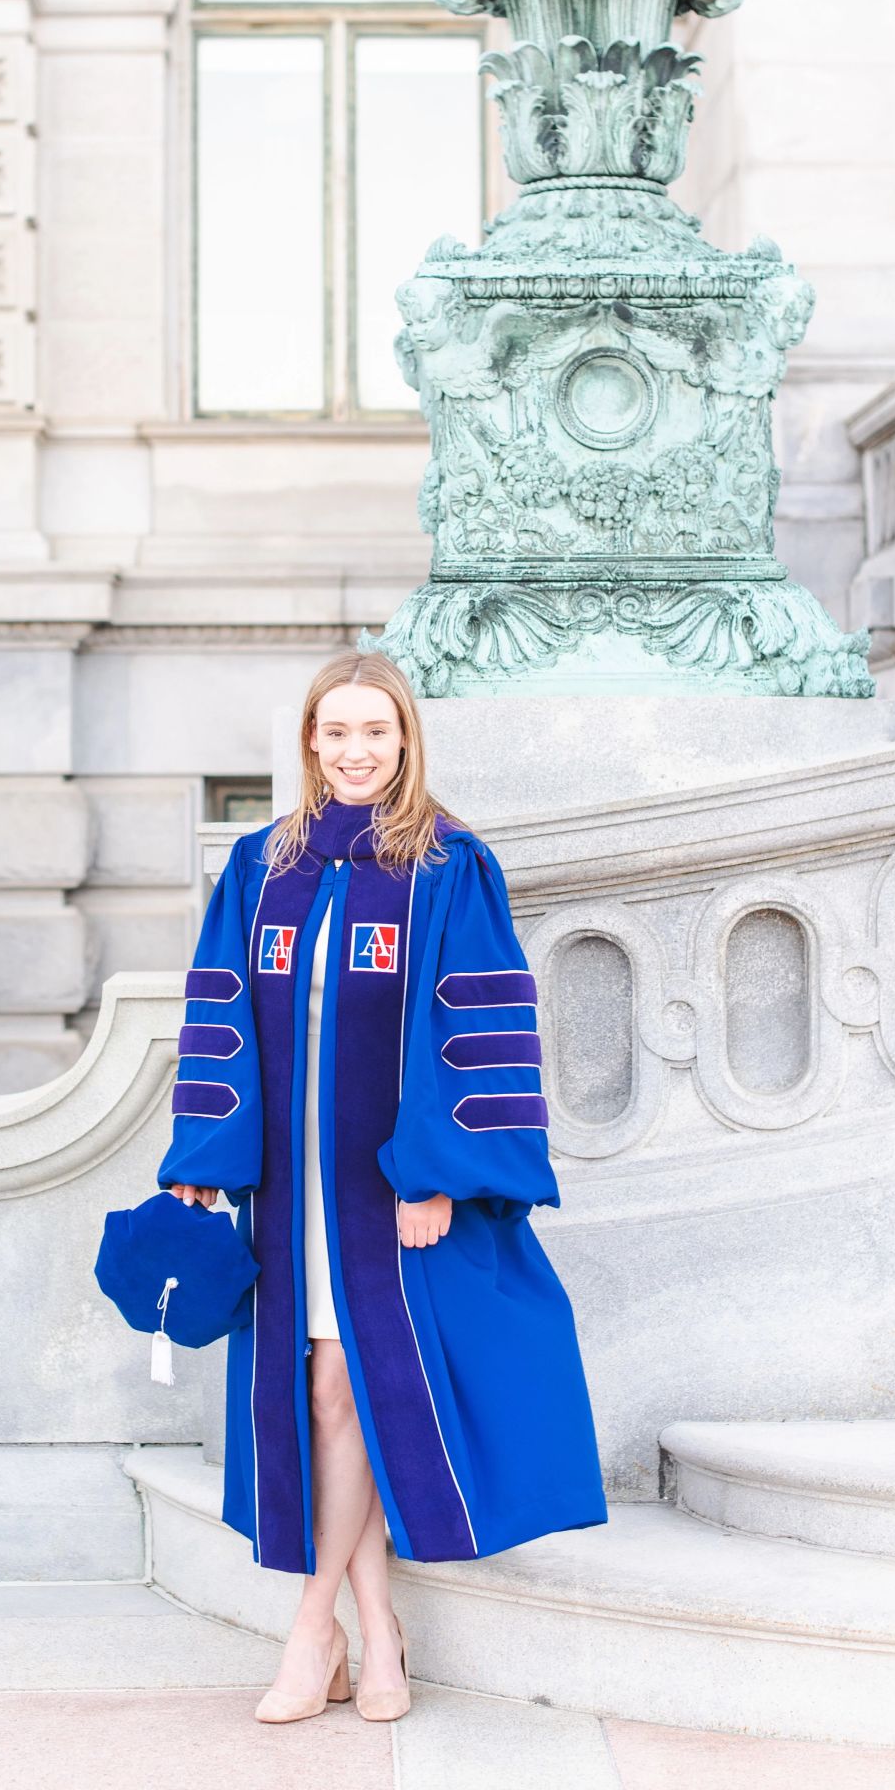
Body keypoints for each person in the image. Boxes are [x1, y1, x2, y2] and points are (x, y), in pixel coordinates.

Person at [160, 649, 607, 1724]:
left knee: (356, 1388)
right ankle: (380, 1632)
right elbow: (216, 1013)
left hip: (386, 1186)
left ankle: (311, 1628)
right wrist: (205, 1165)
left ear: (405, 739)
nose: (355, 750)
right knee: (322, 1390)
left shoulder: (448, 865)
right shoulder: (261, 866)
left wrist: (435, 1171)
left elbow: (475, 1030)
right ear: (309, 742)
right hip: (289, 1186)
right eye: (336, 731)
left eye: (376, 730)